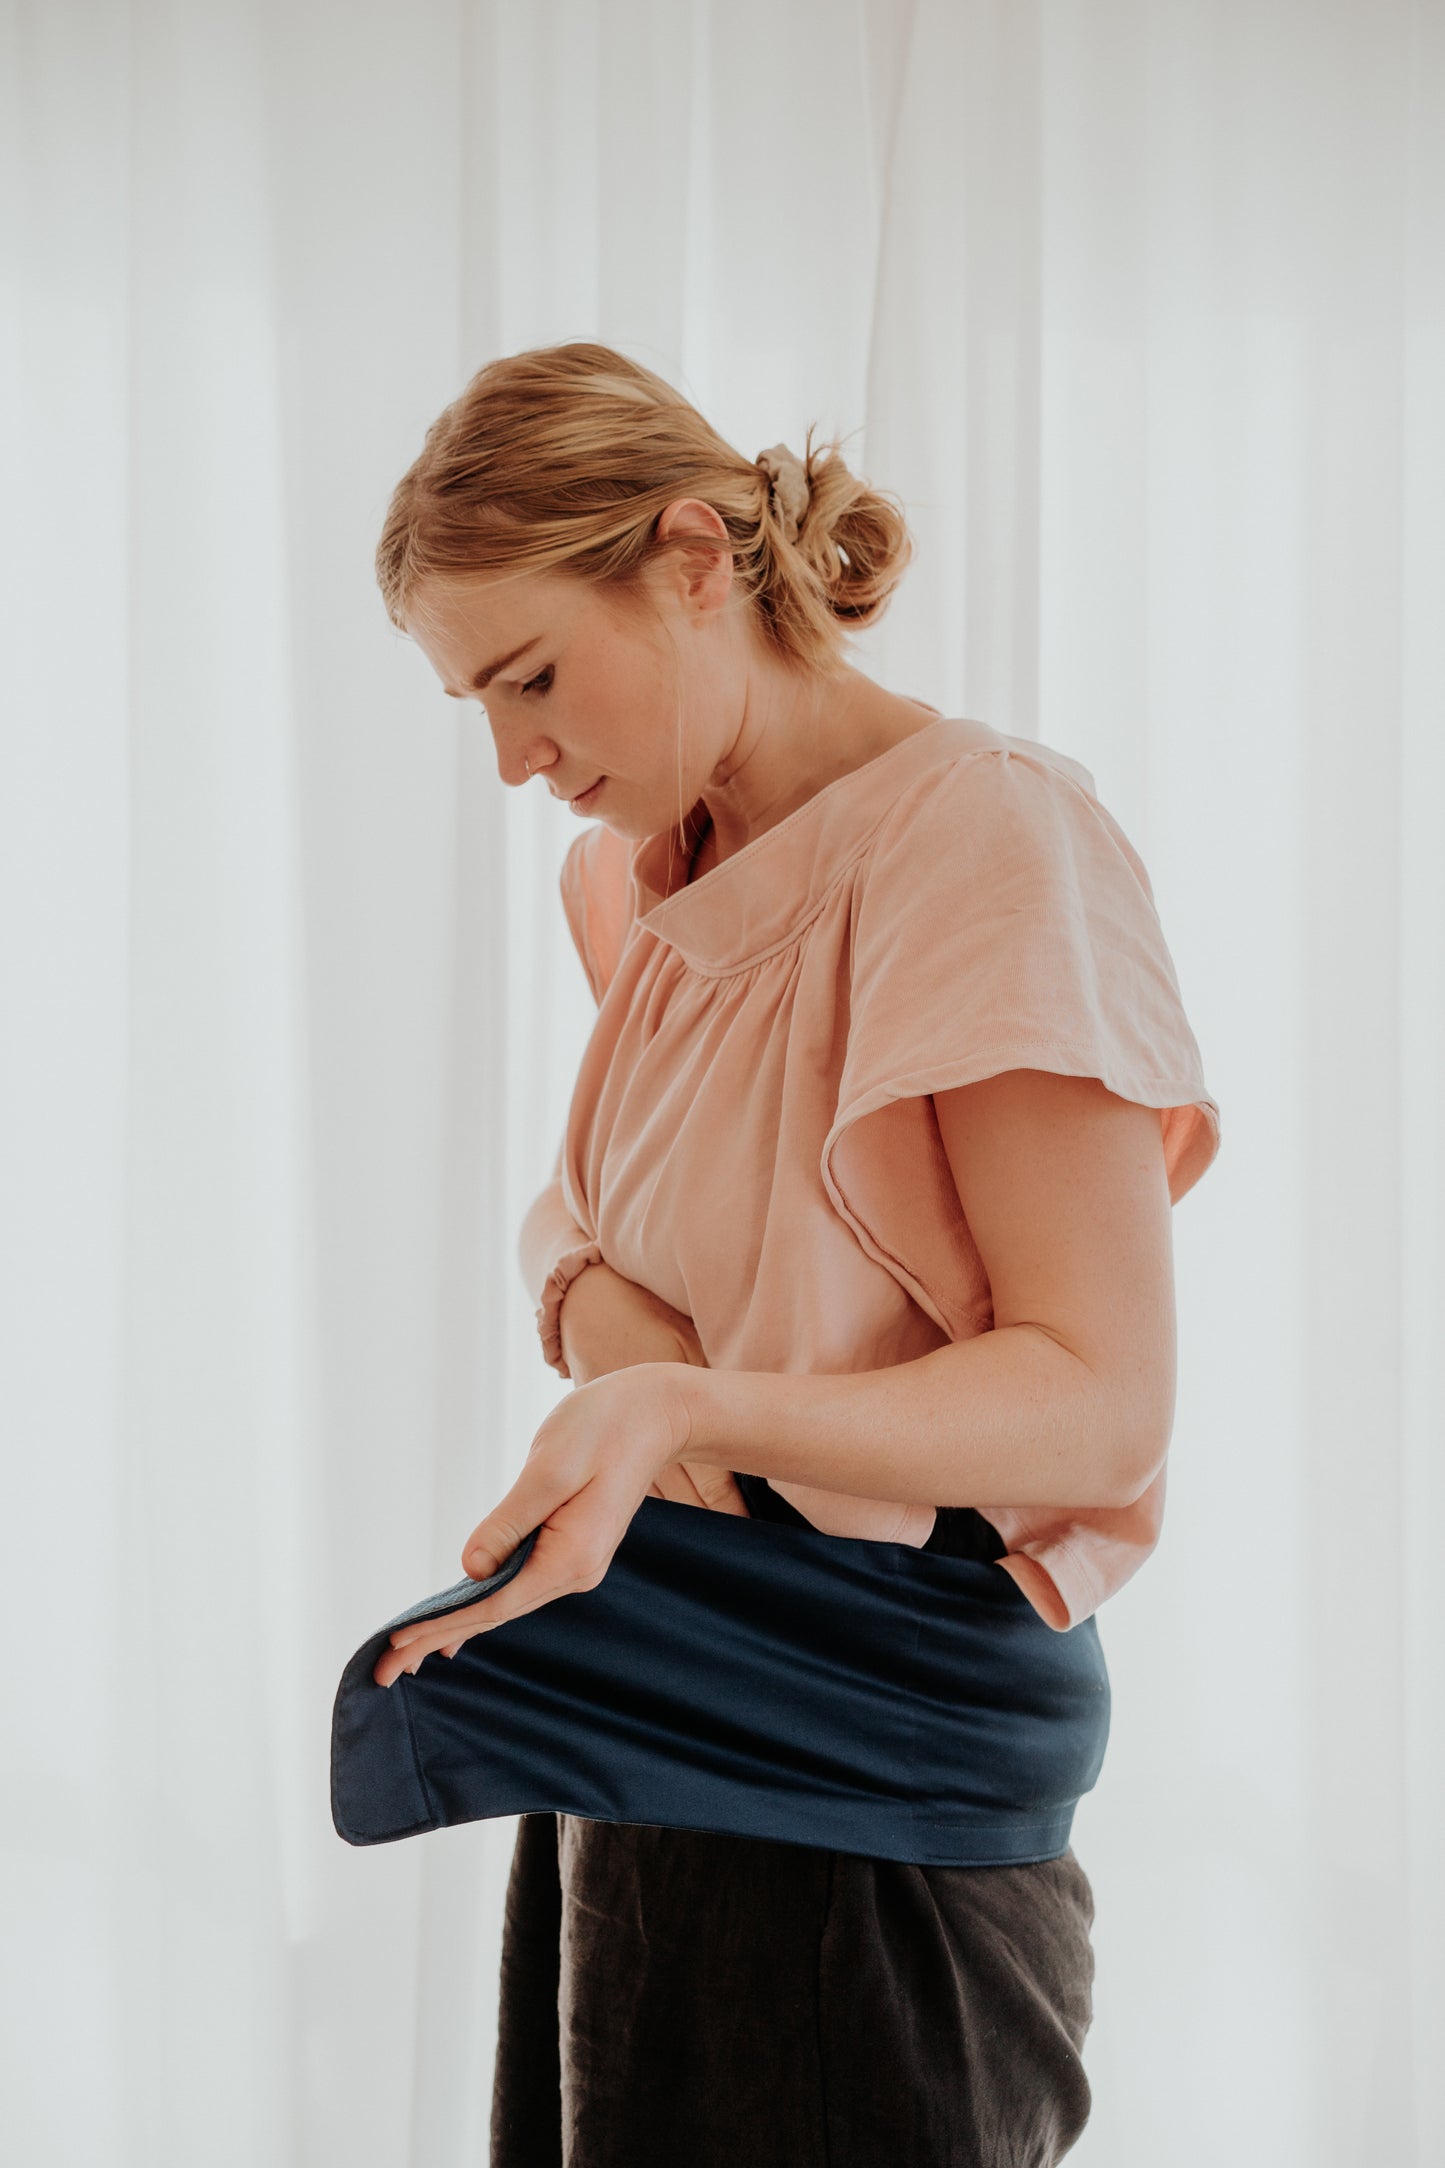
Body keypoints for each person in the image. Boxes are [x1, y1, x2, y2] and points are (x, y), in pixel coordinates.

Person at [369, 340, 1222, 2166]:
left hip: (872, 1777)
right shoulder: (641, 874)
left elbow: (1097, 1409)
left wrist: (666, 1380)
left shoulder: (984, 839)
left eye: (531, 677)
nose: (516, 757)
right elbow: (590, 1221)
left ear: (693, 560)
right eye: (475, 705)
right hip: (656, 1713)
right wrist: (605, 1316)